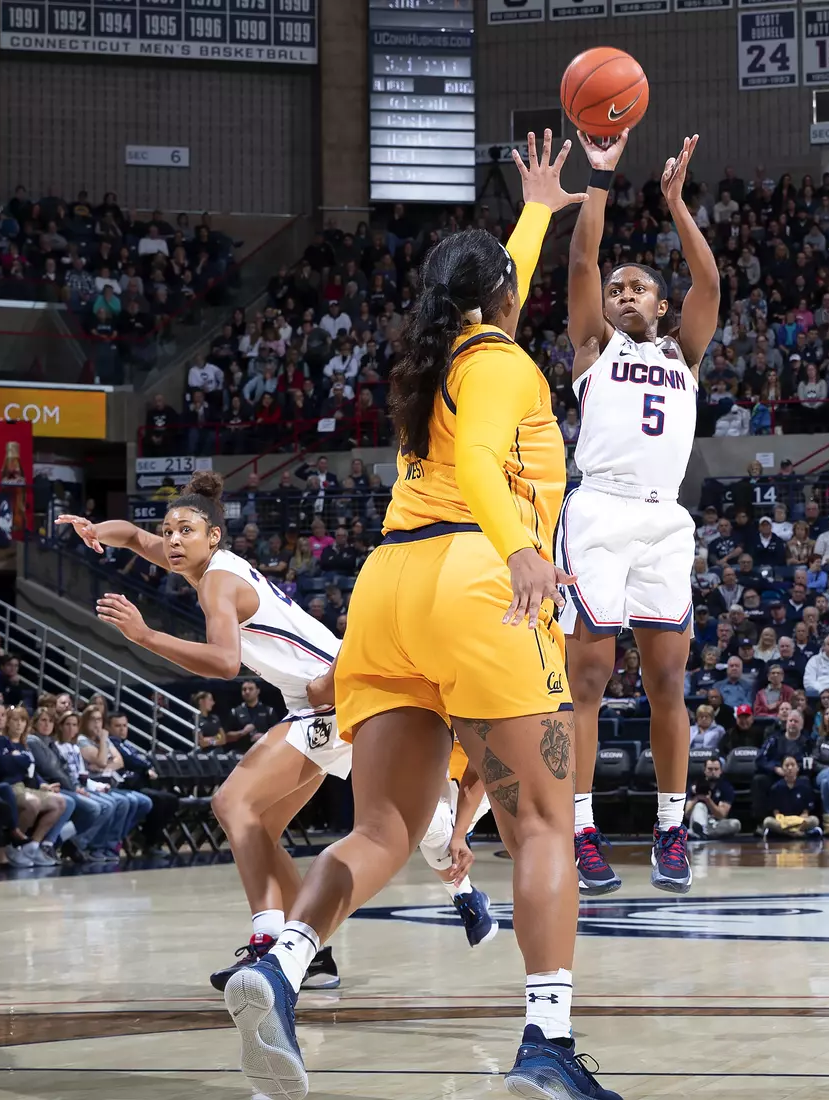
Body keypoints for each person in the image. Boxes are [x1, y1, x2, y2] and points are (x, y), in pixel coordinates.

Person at [215, 134, 621, 1100]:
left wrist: (535, 210)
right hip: (479, 579)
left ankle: (281, 961)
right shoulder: (507, 365)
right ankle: (546, 1046)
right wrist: (522, 549)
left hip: (388, 594)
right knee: (541, 829)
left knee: (385, 830)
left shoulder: (436, 354)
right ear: (503, 306)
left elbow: (496, 287)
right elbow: (484, 461)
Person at [59, 473, 495, 993]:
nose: (172, 541)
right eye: (168, 531)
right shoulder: (197, 562)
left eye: (185, 531)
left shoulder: (218, 582)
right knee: (262, 827)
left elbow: (225, 663)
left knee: (232, 804)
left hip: (331, 696)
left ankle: (269, 942)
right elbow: (133, 537)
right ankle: (317, 952)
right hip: (316, 697)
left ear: (213, 536)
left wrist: (145, 634)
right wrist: (96, 531)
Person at [560, 130, 719, 897]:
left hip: (663, 523)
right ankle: (582, 828)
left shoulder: (684, 354)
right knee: (587, 676)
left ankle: (670, 827)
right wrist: (601, 176)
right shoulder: (592, 346)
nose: (623, 295)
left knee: (667, 683)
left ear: (661, 305)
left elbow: (710, 285)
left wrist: (676, 203)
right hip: (598, 511)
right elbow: (582, 261)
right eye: (617, 288)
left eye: (637, 289)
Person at [686, 754, 740, 838]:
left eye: (716, 769)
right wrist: (696, 798)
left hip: (715, 823)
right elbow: (687, 813)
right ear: (704, 770)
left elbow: (721, 815)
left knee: (735, 824)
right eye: (710, 769)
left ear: (721, 771)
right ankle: (701, 831)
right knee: (700, 805)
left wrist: (708, 800)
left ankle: (701, 833)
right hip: (698, 820)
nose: (713, 772)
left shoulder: (726, 787)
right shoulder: (696, 785)